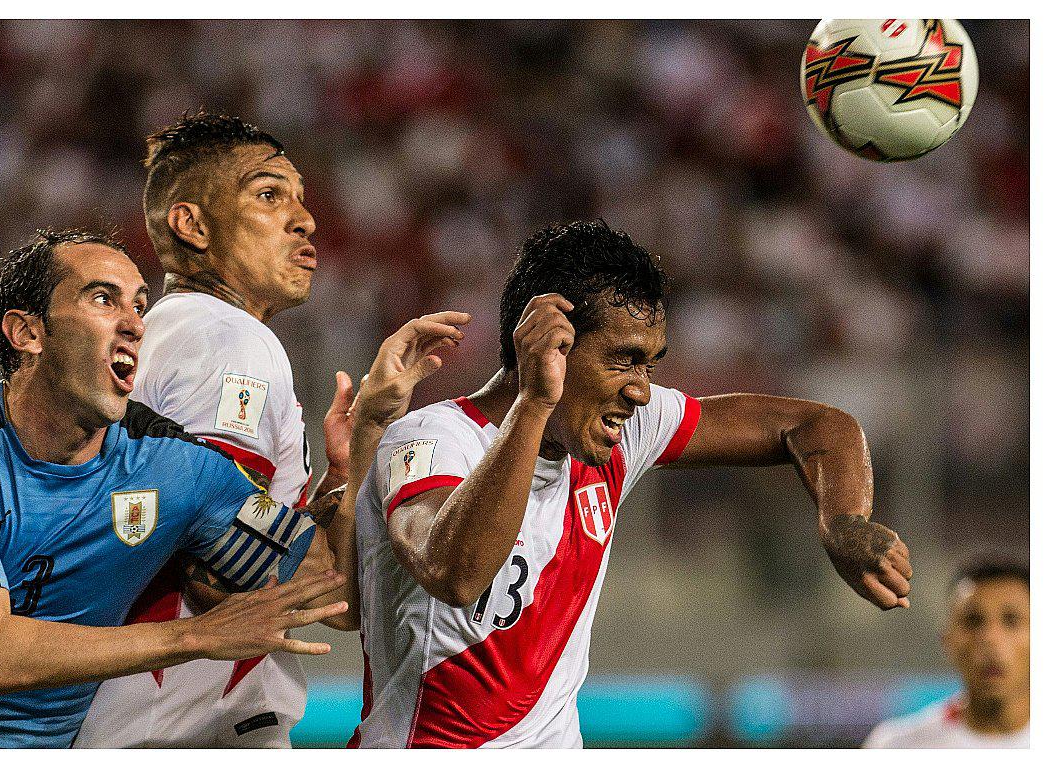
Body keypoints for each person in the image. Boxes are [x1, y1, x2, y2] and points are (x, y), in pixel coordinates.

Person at [350, 220, 915, 748]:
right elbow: (456, 573)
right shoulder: (426, 440)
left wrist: (844, 520)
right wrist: (535, 402)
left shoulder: (618, 435)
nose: (641, 391)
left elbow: (819, 427)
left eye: (649, 364)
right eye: (624, 360)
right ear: (550, 344)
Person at [0, 229, 356, 748]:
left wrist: (352, 468)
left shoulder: (177, 465)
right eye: (102, 299)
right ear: (28, 332)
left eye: (139, 305)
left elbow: (335, 593)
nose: (135, 324)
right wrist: (195, 636)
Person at [74, 112, 359, 748]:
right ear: (194, 224)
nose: (304, 219)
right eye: (269, 195)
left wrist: (338, 478)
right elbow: (224, 568)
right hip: (187, 729)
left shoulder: (168, 335)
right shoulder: (230, 340)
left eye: (302, 199)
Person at [864, 558, 1030, 748]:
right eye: (973, 621)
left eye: (1012, 620)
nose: (990, 639)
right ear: (947, 640)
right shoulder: (894, 747)